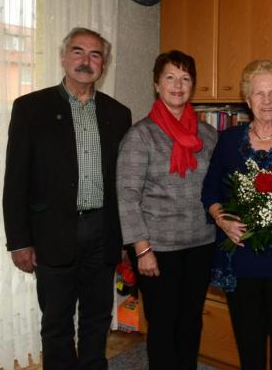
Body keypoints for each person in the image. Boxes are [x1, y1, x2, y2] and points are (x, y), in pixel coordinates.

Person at [3, 27, 132, 369]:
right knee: (57, 322)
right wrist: (18, 242)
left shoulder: (119, 114)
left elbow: (123, 182)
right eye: (78, 52)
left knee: (97, 316)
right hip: (53, 233)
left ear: (103, 65)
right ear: (63, 57)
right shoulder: (31, 108)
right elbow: (15, 180)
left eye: (95, 55)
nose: (86, 61)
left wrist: (122, 236)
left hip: (102, 231)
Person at [202, 60, 272, 370]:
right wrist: (221, 219)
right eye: (259, 93)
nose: (267, 100)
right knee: (249, 346)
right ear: (247, 99)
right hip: (242, 260)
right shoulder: (228, 141)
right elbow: (210, 191)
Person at [116, 50, 218, 370]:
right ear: (157, 84)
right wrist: (141, 248)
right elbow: (127, 195)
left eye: (185, 78)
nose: (178, 85)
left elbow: (217, 187)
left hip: (201, 244)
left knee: (190, 321)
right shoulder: (140, 135)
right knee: (162, 325)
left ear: (193, 85)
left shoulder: (208, 135)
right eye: (170, 77)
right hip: (157, 250)